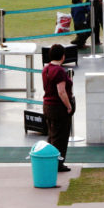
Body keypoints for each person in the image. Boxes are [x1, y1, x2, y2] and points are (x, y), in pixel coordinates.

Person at [42, 43, 75, 172]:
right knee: (60, 138)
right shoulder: (59, 71)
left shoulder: (46, 69)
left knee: (51, 136)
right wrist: (68, 106)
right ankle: (57, 163)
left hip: (48, 105)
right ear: (62, 56)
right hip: (58, 107)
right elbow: (61, 92)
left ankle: (50, 162)